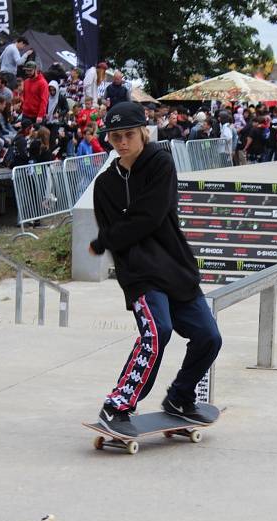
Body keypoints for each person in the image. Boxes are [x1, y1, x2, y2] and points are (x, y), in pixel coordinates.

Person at [88, 101, 221, 437]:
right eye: (115, 136)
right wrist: (111, 238)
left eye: (128, 134)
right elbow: (119, 230)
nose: (121, 142)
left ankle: (179, 397)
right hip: (140, 274)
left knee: (209, 337)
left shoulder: (160, 164)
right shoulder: (105, 185)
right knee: (157, 331)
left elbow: (150, 216)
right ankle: (117, 405)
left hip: (175, 267)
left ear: (143, 132)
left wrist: (104, 239)